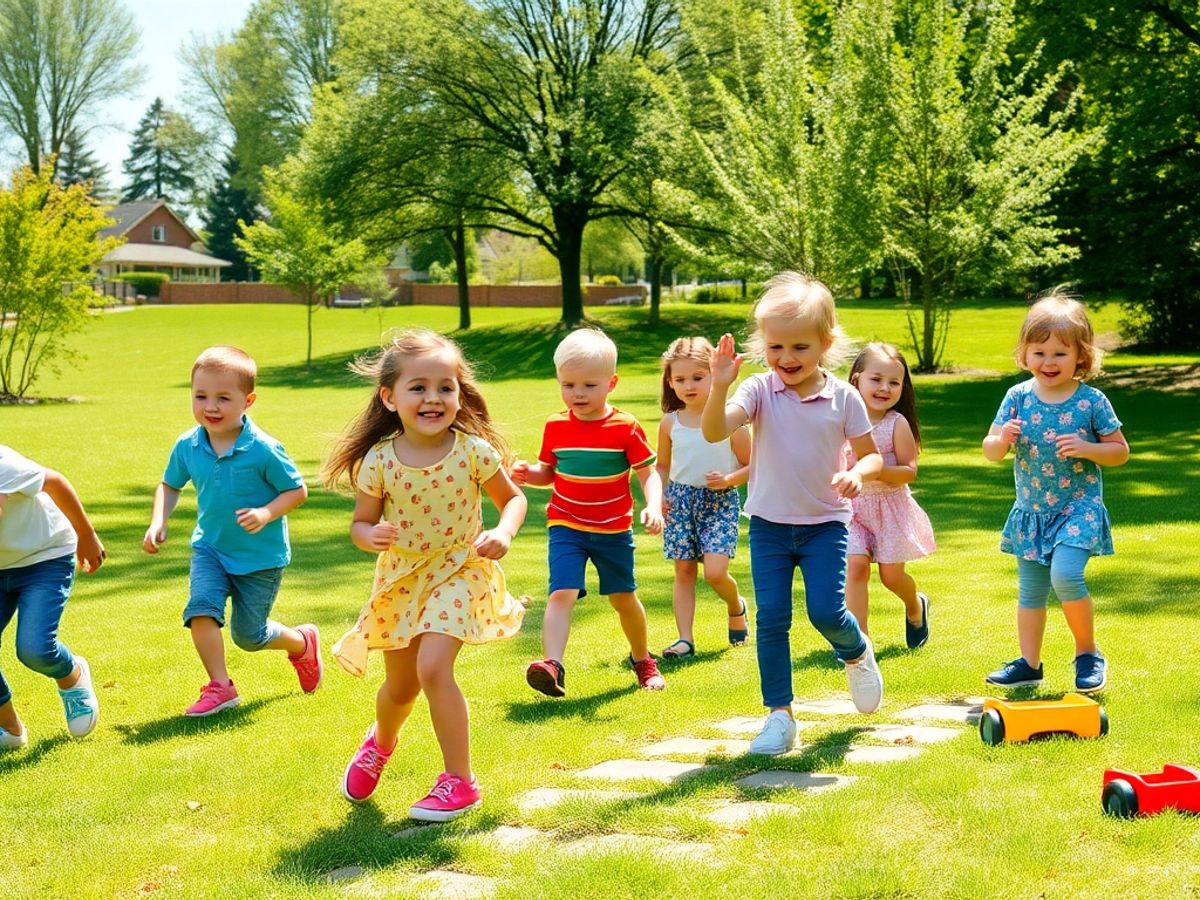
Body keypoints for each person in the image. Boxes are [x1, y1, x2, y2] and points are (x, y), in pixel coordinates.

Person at [324, 330, 527, 822]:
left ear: (460, 395)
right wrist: (366, 535)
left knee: (433, 668)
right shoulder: (379, 461)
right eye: (418, 388)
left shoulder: (474, 452)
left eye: (445, 387)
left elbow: (514, 499)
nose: (433, 398)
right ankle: (381, 742)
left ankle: (459, 781)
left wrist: (503, 531)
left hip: (461, 568)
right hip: (402, 578)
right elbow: (360, 522)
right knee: (401, 688)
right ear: (389, 398)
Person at [702, 271, 884, 756]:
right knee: (773, 619)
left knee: (826, 610)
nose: (786, 358)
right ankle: (780, 716)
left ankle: (856, 649)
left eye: (799, 348)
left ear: (825, 344)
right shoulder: (760, 390)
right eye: (776, 346)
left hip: (826, 524)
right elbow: (716, 430)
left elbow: (871, 455)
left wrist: (858, 474)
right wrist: (720, 386)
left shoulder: (844, 397)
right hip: (769, 527)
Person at [143, 346, 320, 717]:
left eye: (223, 397)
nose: (211, 406)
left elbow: (297, 491)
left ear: (248, 400)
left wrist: (266, 512)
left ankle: (302, 643)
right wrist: (159, 519)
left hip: (260, 558)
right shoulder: (188, 444)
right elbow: (170, 485)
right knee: (201, 609)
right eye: (201, 396)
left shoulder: (264, 449)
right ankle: (220, 687)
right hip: (210, 548)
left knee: (249, 637)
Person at [982, 293, 1128, 692]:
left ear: (1081, 356)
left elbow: (1119, 452)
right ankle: (1029, 664)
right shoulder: (1017, 397)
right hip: (1032, 510)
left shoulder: (1091, 400)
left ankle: (1088, 654)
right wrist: (1002, 440)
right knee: (1030, 590)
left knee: (1065, 576)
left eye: (1060, 353)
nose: (1049, 362)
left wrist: (1087, 448)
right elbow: (991, 449)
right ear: (1024, 353)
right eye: (1039, 351)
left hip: (1077, 508)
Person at [512, 327, 666, 696]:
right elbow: (548, 472)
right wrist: (527, 475)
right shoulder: (555, 425)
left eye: (589, 385)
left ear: (611, 383)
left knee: (623, 599)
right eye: (568, 385)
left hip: (613, 529)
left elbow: (649, 474)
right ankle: (552, 664)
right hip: (566, 524)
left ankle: (643, 660)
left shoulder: (625, 427)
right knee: (561, 591)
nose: (577, 394)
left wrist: (654, 506)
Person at [0, 447, 105, 748]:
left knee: (35, 649)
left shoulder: (4, 465)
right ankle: (10, 729)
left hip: (44, 558)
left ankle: (71, 675)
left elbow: (55, 482)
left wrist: (86, 535)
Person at [655, 336, 751, 659]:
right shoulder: (670, 423)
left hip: (719, 504)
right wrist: (660, 497)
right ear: (670, 381)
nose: (689, 386)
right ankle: (685, 639)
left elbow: (756, 465)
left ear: (714, 375)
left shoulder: (731, 421)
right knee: (683, 571)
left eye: (698, 377)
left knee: (714, 572)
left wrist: (728, 480)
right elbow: (663, 465)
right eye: (680, 379)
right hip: (681, 504)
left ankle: (736, 605)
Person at [843, 343, 935, 647]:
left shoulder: (896, 423)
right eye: (876, 379)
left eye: (894, 382)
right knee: (854, 566)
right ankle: (860, 643)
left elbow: (909, 471)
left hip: (889, 508)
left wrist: (875, 470)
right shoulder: (840, 419)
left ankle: (915, 605)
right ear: (857, 379)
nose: (885, 388)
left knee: (891, 577)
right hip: (852, 509)